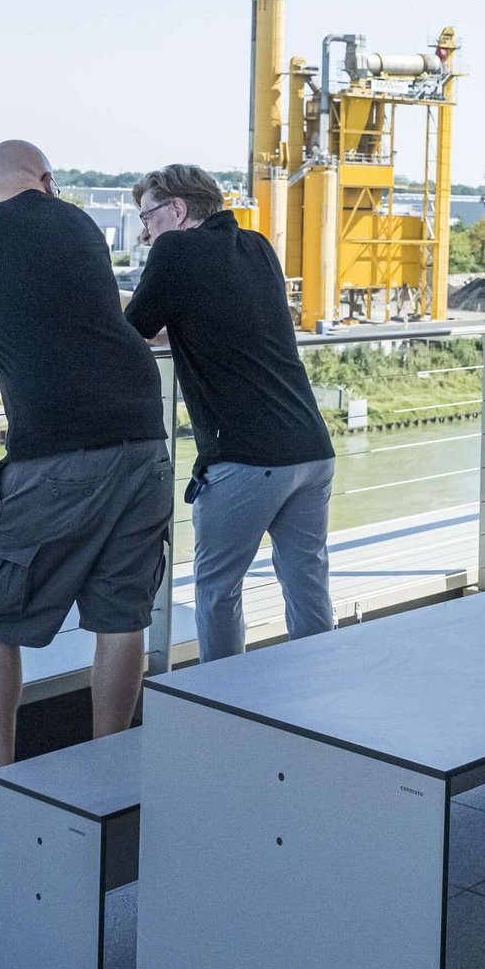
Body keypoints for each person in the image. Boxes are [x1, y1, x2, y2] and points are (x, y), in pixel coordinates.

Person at [0, 140, 170, 848]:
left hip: (59, 449)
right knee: (121, 612)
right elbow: (50, 324)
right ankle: (110, 784)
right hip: (144, 436)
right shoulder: (79, 225)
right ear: (46, 182)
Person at [125, 163, 335, 661]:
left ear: (177, 210)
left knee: (218, 590)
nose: (145, 233)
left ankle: (224, 694)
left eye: (148, 217)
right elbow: (217, 318)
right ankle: (323, 680)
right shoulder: (257, 245)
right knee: (307, 581)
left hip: (246, 458)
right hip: (311, 449)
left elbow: (129, 333)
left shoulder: (176, 251)